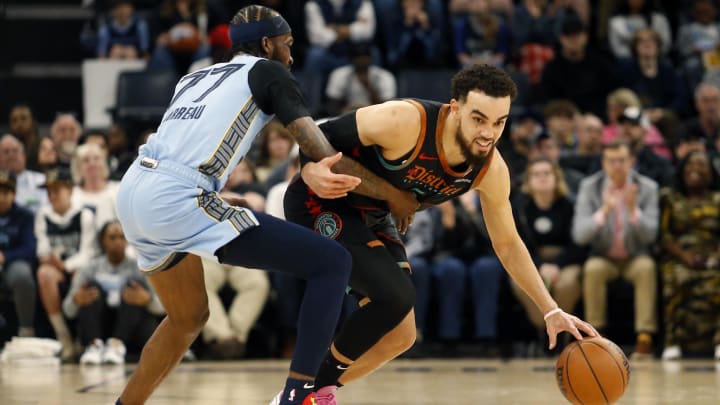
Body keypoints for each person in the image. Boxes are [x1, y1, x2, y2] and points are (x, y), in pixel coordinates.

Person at [113, 5, 417, 405]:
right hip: (175, 197)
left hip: (135, 188)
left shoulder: (195, 77)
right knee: (332, 262)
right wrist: (393, 194)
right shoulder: (269, 71)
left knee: (188, 317)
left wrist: (208, 196)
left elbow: (181, 148)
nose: (291, 56)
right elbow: (319, 149)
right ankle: (298, 395)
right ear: (267, 43)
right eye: (288, 45)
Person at [284, 63, 598, 403]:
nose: (488, 133)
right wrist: (310, 168)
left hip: (372, 215)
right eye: (479, 119)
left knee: (400, 336)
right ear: (455, 108)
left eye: (499, 122)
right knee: (398, 295)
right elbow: (315, 134)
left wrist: (550, 309)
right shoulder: (404, 122)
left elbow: (507, 244)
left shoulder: (491, 170)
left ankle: (304, 393)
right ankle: (307, 393)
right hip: (321, 201)